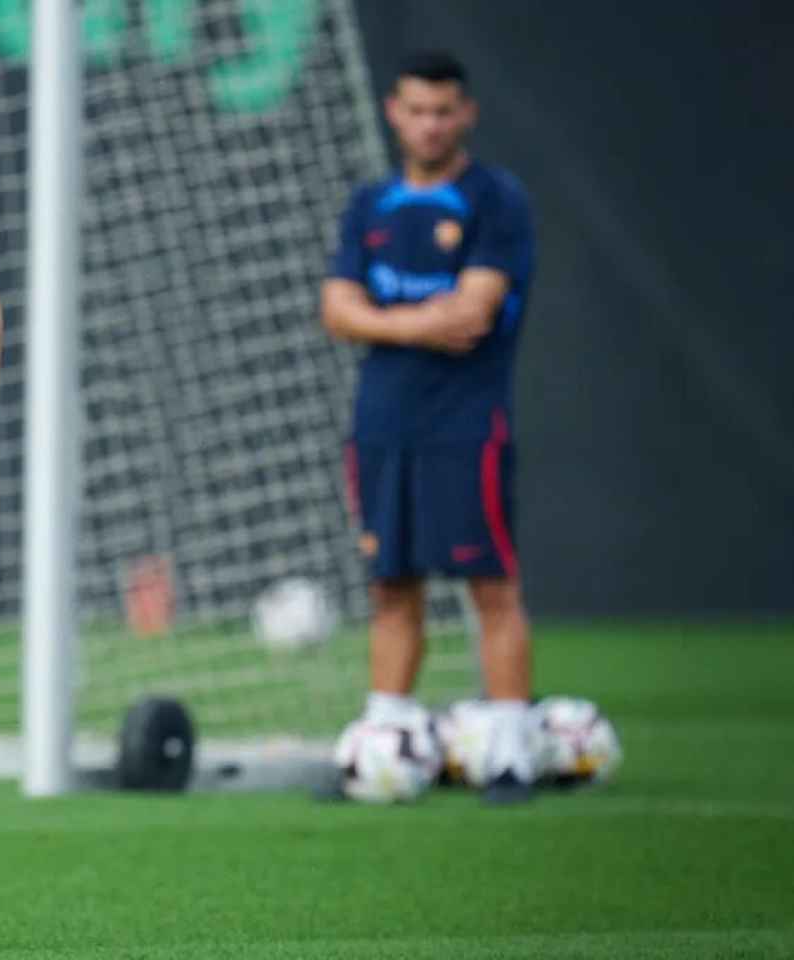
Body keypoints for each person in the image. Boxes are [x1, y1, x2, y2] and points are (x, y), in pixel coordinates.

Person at [320, 51, 537, 804]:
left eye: (444, 111)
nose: (430, 124)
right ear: (393, 112)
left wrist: (378, 320)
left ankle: (510, 752)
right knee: (391, 587)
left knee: (491, 586)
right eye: (417, 110)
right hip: (382, 425)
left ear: (466, 114)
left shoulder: (495, 199)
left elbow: (474, 313)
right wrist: (419, 323)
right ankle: (385, 747)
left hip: (466, 425)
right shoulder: (370, 201)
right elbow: (334, 310)